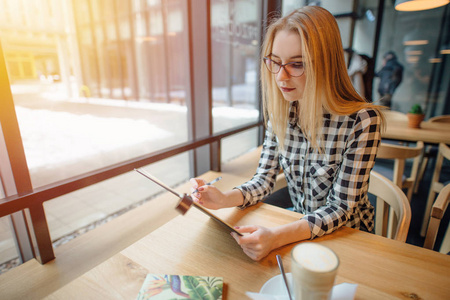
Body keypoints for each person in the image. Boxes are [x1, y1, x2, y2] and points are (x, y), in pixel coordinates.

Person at [190, 6, 384, 261]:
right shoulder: (283, 111)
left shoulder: (362, 121)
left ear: (326, 65)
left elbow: (340, 208)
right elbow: (264, 180)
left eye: (296, 64)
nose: (281, 77)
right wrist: (224, 199)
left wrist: (276, 236)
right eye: (275, 62)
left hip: (350, 238)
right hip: (299, 227)